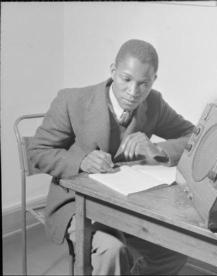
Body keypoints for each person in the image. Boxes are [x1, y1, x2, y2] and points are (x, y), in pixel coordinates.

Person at [28, 39, 195, 275]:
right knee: (112, 250)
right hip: (76, 205)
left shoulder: (154, 102)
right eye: (126, 79)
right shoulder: (72, 100)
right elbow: (37, 152)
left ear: (153, 81)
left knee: (173, 252)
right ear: (113, 71)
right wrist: (81, 161)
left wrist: (159, 150)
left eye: (143, 84)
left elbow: (195, 136)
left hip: (128, 206)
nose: (133, 92)